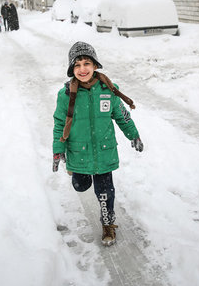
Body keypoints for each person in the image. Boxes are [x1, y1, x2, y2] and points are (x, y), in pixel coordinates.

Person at [52, 42, 144, 246]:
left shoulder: (107, 90)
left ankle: (108, 223)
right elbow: (59, 124)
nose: (82, 69)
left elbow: (122, 116)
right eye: (77, 65)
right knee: (80, 185)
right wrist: (58, 151)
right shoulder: (65, 95)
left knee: (104, 192)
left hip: (104, 153)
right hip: (79, 151)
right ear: (71, 69)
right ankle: (75, 172)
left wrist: (134, 135)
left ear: (95, 66)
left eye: (87, 63)